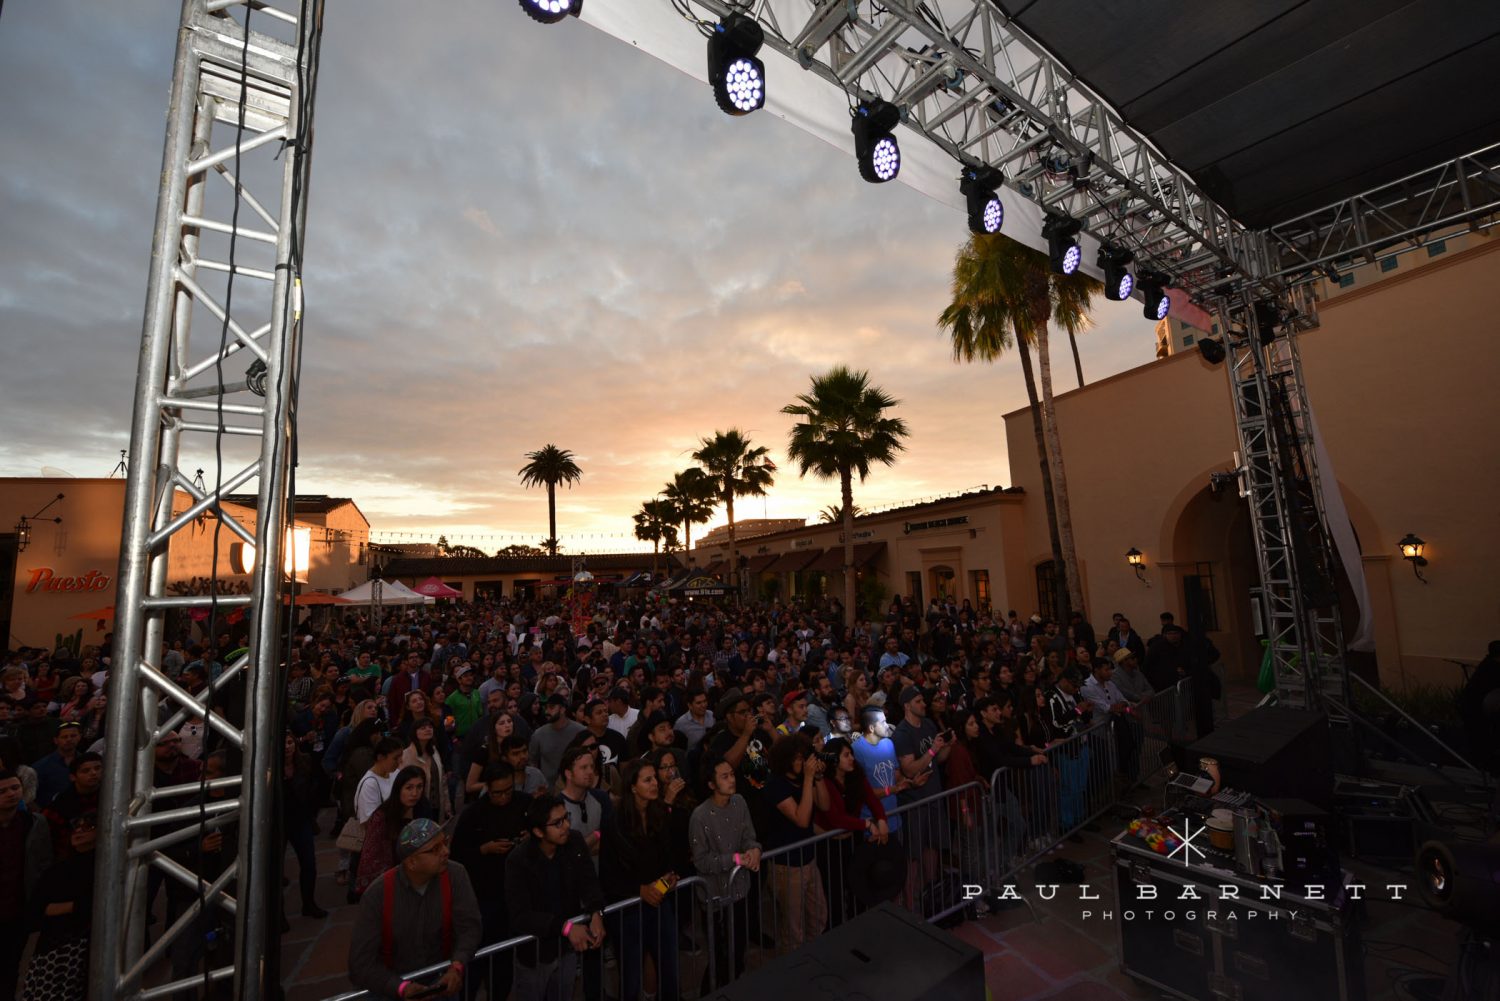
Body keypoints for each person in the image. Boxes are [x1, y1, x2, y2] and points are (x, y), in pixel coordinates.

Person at [348, 819, 482, 1001]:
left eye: (445, 842)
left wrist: (456, 967)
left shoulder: (456, 875)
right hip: (390, 989)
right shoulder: (377, 895)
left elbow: (469, 928)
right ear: (411, 862)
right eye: (435, 849)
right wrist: (401, 988)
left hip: (440, 983)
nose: (446, 851)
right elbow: (361, 963)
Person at [601, 758, 688, 1001]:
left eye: (654, 779)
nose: (654, 784)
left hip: (660, 902)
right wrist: (640, 890)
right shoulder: (615, 822)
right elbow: (608, 875)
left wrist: (669, 877)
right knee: (630, 977)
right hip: (628, 908)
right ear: (632, 787)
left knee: (669, 968)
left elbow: (669, 857)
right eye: (647, 780)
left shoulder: (659, 813)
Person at [506, 796, 607, 1001]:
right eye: (557, 823)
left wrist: (596, 913)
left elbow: (589, 882)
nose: (566, 826)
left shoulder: (575, 841)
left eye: (566, 818)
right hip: (535, 955)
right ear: (538, 831)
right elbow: (520, 915)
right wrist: (566, 927)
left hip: (566, 951)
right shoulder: (518, 860)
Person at [450, 763, 531, 1001]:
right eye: (498, 792)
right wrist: (484, 849)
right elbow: (457, 856)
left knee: (505, 957)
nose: (504, 797)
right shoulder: (473, 814)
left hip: (515, 893)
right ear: (488, 789)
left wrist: (529, 837)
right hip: (484, 895)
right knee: (478, 955)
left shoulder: (525, 804)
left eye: (508, 790)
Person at [689, 756, 761, 991]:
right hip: (716, 898)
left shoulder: (739, 802)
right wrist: (734, 859)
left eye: (732, 774)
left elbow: (749, 835)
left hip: (740, 890)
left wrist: (754, 850)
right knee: (720, 957)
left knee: (738, 949)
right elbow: (701, 861)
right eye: (725, 776)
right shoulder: (700, 816)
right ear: (711, 784)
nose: (732, 780)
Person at [20, 812, 96, 1001]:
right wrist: (78, 907)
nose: (79, 831)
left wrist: (65, 908)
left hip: (86, 945)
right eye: (76, 827)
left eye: (88, 827)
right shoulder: (58, 870)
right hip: (56, 947)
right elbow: (36, 911)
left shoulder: (101, 869)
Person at [763, 734, 828, 951]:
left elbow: (825, 806)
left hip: (808, 859)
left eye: (805, 758)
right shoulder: (775, 785)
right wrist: (809, 779)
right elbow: (801, 819)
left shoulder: (804, 780)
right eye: (798, 759)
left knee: (819, 915)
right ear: (786, 760)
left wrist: (817, 779)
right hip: (787, 865)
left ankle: (813, 959)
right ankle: (795, 974)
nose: (803, 763)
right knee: (793, 928)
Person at [0, 769, 52, 1001]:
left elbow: (43, 863)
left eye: (15, 788)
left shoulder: (34, 823)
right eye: (2, 791)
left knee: (11, 966)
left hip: (17, 910)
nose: (11, 794)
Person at [356, 764, 432, 896]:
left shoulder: (423, 808)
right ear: (399, 789)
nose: (415, 793)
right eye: (409, 788)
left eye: (419, 787)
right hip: (392, 879)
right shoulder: (383, 816)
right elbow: (373, 855)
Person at [402, 718, 453, 823]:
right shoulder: (406, 755)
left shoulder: (434, 751)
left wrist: (447, 804)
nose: (428, 729)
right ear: (415, 732)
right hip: (416, 807)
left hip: (436, 804)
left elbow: (442, 780)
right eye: (423, 728)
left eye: (430, 727)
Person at [528, 694, 585, 786]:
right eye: (546, 708)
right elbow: (532, 762)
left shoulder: (580, 731)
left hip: (576, 787)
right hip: (548, 790)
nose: (547, 711)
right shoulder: (538, 734)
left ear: (562, 709)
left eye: (551, 707)